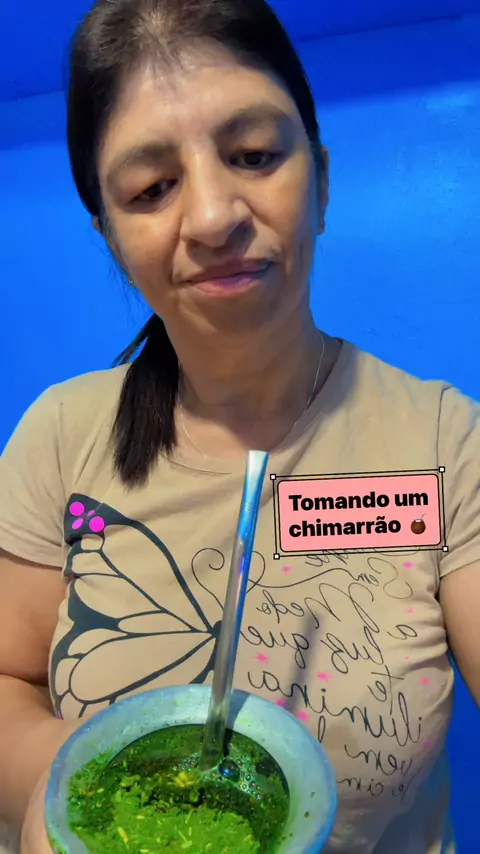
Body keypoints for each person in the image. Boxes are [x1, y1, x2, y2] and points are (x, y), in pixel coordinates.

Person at [0, 0, 479, 852]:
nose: (215, 217)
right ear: (111, 239)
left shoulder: (446, 440)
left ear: (320, 181)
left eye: (254, 154)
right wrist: (51, 784)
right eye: (151, 189)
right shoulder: (60, 435)